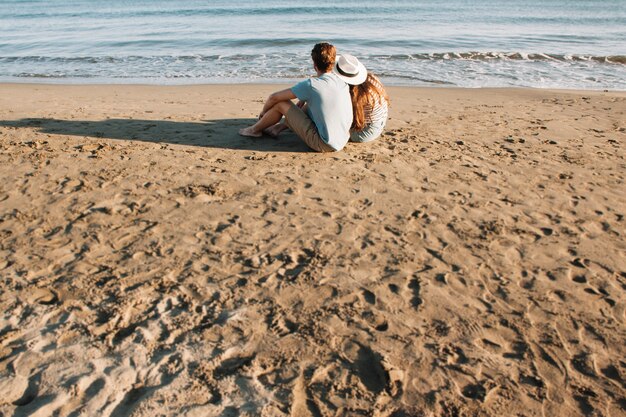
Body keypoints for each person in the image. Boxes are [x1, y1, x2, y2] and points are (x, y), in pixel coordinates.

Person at [239, 43, 366, 152]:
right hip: (342, 139)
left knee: (281, 104)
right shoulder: (341, 81)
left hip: (324, 144)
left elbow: (274, 97)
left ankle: (254, 130)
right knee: (305, 105)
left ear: (314, 65)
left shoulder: (312, 85)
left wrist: (263, 112)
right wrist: (303, 99)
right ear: (333, 64)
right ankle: (275, 129)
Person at [349, 72, 389, 143]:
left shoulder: (360, 93)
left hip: (366, 132)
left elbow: (356, 117)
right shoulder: (371, 78)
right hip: (380, 122)